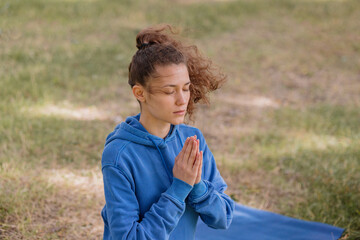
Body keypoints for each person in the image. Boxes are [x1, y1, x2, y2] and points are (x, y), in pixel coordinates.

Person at [101, 24, 235, 240]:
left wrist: (197, 186)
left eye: (186, 88)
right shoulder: (119, 155)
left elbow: (223, 217)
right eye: (169, 91)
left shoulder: (192, 140)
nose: (182, 100)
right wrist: (179, 188)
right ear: (140, 93)